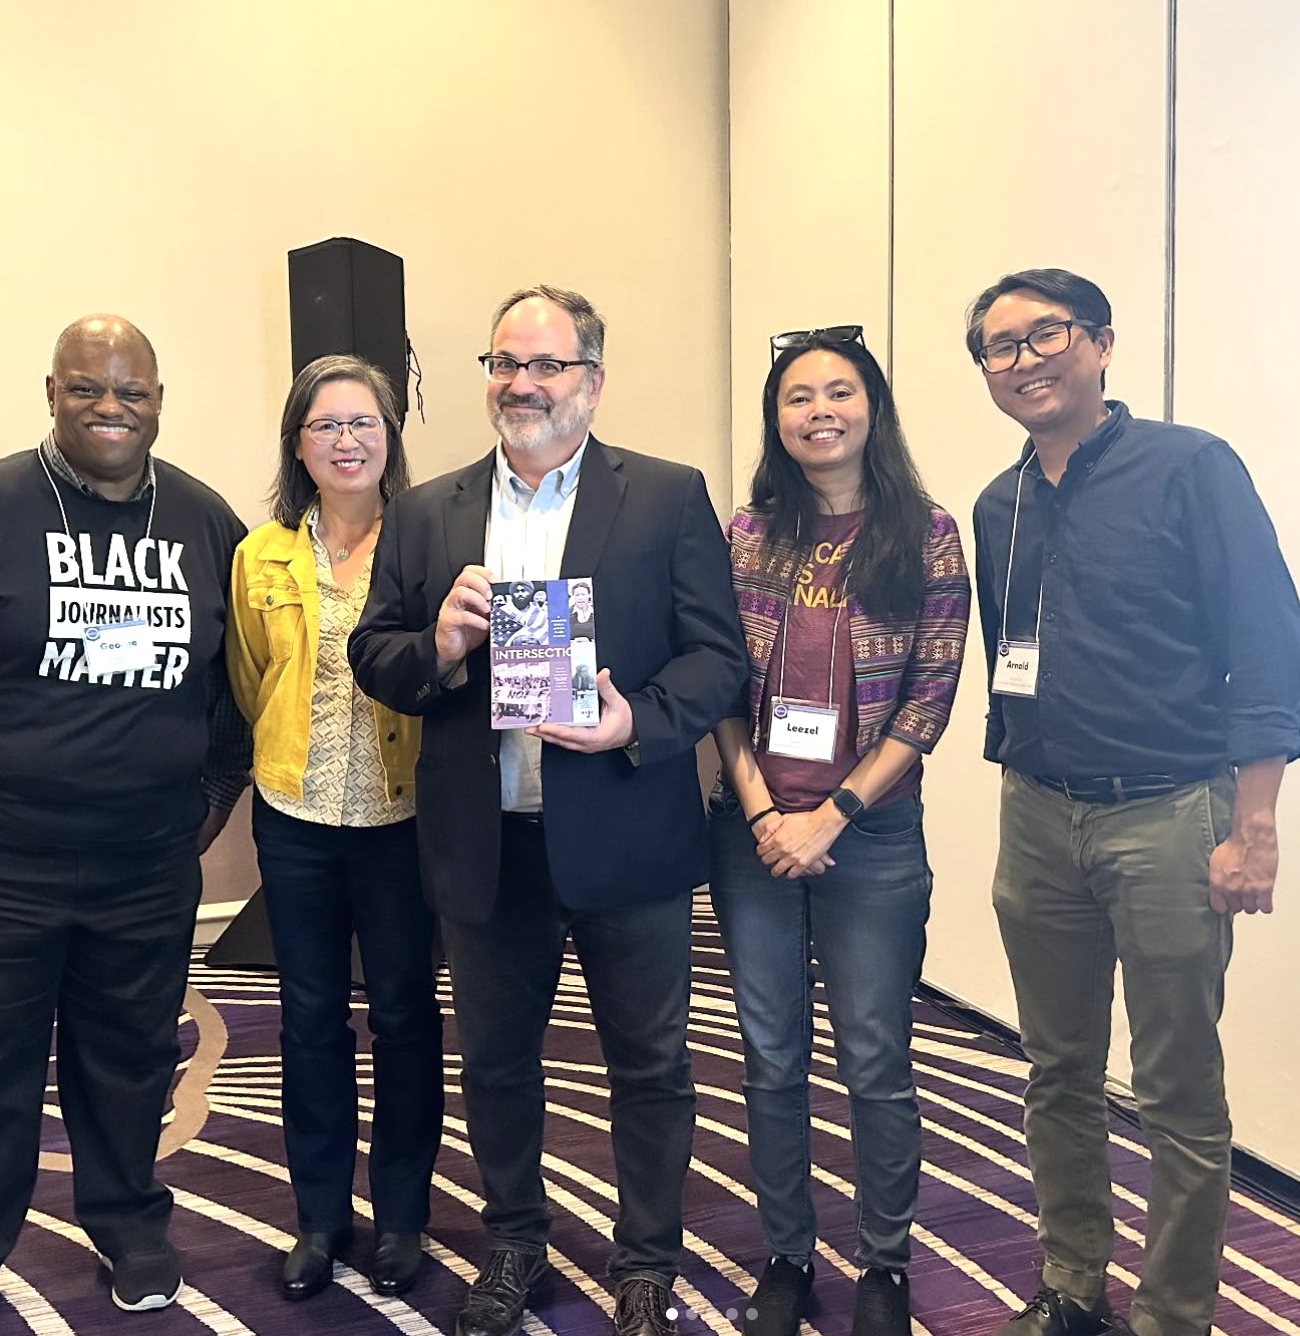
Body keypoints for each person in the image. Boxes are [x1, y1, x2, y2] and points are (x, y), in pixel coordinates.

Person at [349, 284, 748, 1336]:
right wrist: (439, 646)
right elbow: (374, 656)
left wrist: (637, 723)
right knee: (494, 1063)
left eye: (545, 365)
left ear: (593, 381)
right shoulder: (426, 510)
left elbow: (719, 658)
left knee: (650, 1064)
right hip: (488, 846)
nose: (520, 383)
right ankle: (515, 1244)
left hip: (627, 832)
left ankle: (647, 1260)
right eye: (503, 363)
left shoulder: (666, 496)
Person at [967, 268, 1300, 1336]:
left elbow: (1267, 646)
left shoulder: (1191, 467)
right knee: (1055, 1070)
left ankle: (1172, 1316)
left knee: (1176, 1090)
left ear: (1102, 344)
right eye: (999, 347)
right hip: (1036, 815)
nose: (1024, 360)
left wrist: (1254, 826)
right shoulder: (999, 504)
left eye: (1045, 334)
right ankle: (1072, 1286)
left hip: (1169, 816)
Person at [710, 328, 970, 1336]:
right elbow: (721, 686)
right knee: (769, 1054)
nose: (819, 411)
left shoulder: (927, 533)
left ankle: (885, 1264)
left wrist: (831, 816)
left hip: (872, 836)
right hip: (754, 838)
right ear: (775, 419)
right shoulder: (746, 533)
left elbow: (927, 701)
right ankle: (786, 1253)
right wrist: (763, 812)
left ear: (872, 408)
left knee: (874, 1056)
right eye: (798, 396)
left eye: (840, 392)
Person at [0, 314, 249, 1311]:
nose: (111, 407)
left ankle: (129, 1224)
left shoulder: (202, 519)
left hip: (147, 862)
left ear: (158, 402)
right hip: (12, 860)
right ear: (51, 394)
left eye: (131, 391)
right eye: (87, 388)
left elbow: (235, 686)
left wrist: (210, 800)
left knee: (133, 1056)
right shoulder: (5, 505)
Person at [226, 354, 442, 1301]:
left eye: (364, 423)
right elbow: (251, 679)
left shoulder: (427, 543)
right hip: (296, 817)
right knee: (309, 1019)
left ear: (390, 438)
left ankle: (401, 1216)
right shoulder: (261, 555)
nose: (347, 441)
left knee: (403, 1015)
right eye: (326, 425)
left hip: (401, 817)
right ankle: (319, 1216)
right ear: (298, 444)